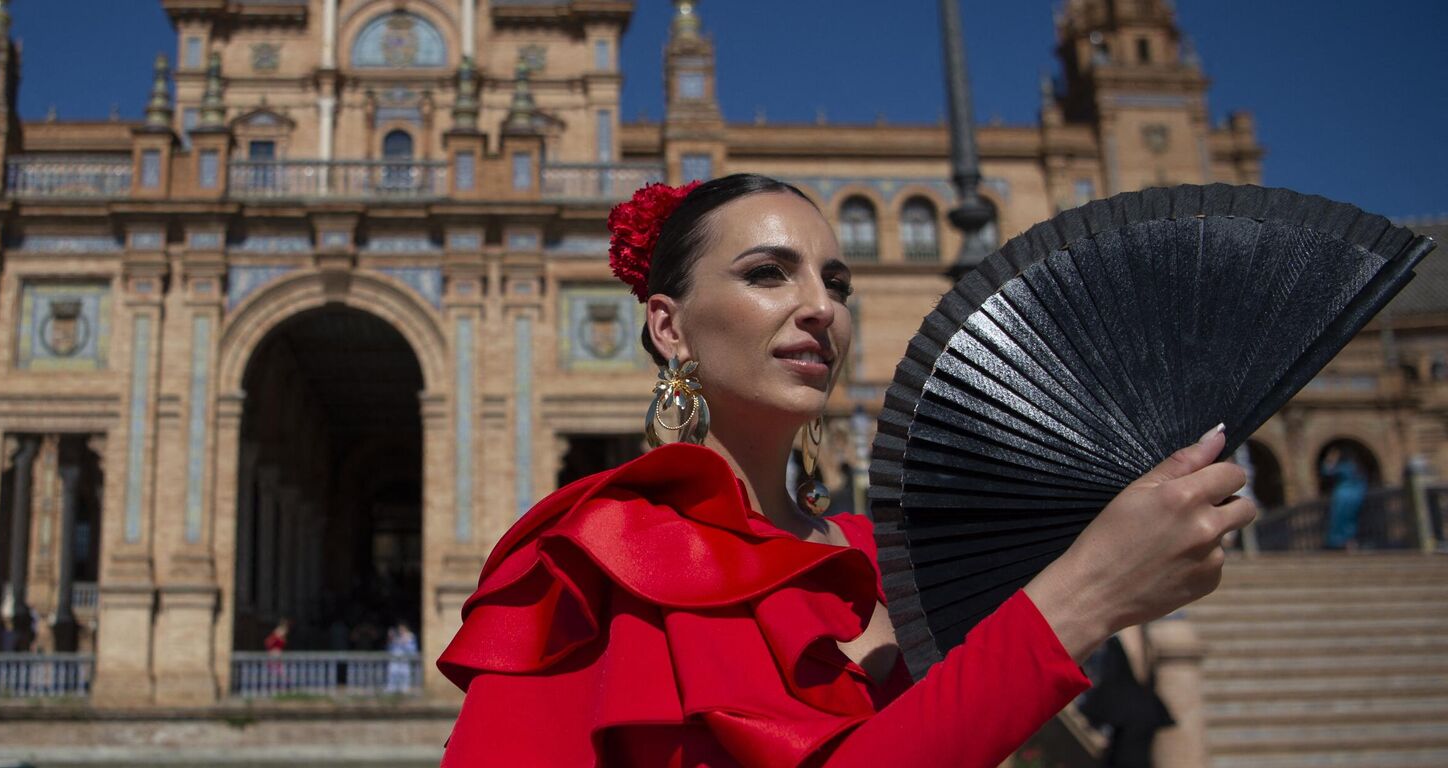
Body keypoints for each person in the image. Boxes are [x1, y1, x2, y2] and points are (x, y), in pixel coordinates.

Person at [436, 175, 1256, 766]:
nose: (821, 306)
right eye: (767, 273)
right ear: (669, 327)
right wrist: (1083, 599)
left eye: (837, 280)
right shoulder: (589, 562)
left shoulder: (885, 562)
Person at [1321, 447, 1366, 550]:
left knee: (1340, 521)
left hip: (1343, 497)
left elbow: (1327, 471)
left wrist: (1330, 459)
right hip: (1355, 496)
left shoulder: (1344, 467)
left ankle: (1342, 543)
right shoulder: (1355, 467)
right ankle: (1349, 543)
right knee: (1349, 522)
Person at [385, 620, 419, 694]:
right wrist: (391, 639)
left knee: (405, 679)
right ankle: (391, 693)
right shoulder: (395, 637)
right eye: (400, 629)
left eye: (402, 629)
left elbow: (413, 651)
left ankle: (405, 692)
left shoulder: (410, 637)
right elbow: (389, 649)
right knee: (392, 677)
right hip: (394, 661)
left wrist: (406, 642)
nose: (401, 631)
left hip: (404, 662)